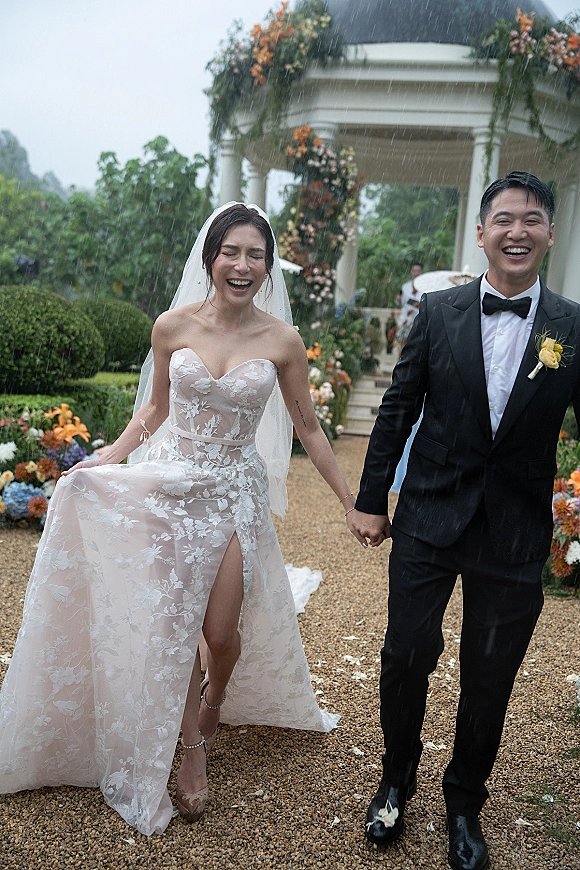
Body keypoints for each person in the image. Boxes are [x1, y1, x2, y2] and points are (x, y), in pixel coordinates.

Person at [0, 203, 362, 836]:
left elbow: (307, 426)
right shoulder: (171, 327)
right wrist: (107, 457)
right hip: (170, 486)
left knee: (221, 634)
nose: (242, 265)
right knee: (176, 623)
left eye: (256, 255)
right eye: (232, 253)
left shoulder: (281, 341)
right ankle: (190, 747)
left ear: (268, 267)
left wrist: (350, 502)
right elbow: (153, 412)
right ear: (210, 259)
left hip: (232, 495)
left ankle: (213, 699)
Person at [348, 172, 580, 870]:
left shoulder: (571, 327)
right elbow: (398, 405)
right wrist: (371, 495)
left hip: (513, 535)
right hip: (428, 516)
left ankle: (463, 805)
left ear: (547, 233)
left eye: (532, 219)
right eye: (503, 219)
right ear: (480, 233)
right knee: (405, 655)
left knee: (490, 676)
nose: (517, 230)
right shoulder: (440, 311)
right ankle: (395, 781)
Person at [396, 262, 423, 346]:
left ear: (422, 272)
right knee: (402, 345)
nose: (416, 273)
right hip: (405, 320)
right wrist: (398, 299)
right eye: (414, 271)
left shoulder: (426, 288)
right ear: (411, 272)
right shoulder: (405, 287)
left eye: (418, 271)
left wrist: (418, 305)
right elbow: (401, 303)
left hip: (418, 320)